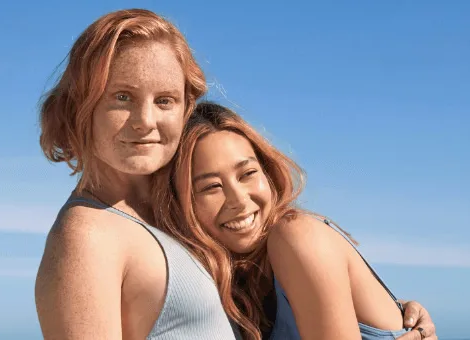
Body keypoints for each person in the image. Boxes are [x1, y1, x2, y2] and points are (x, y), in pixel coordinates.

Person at [34, 7, 436, 340]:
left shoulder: (173, 226)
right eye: (122, 97)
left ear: (185, 110)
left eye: (165, 100)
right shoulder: (89, 235)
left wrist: (390, 311)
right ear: (80, 105)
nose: (145, 121)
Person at [152, 102, 439, 340]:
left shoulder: (297, 237)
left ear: (268, 174)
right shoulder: (231, 287)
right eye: (211, 187)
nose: (238, 200)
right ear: (179, 204)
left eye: (247, 174)